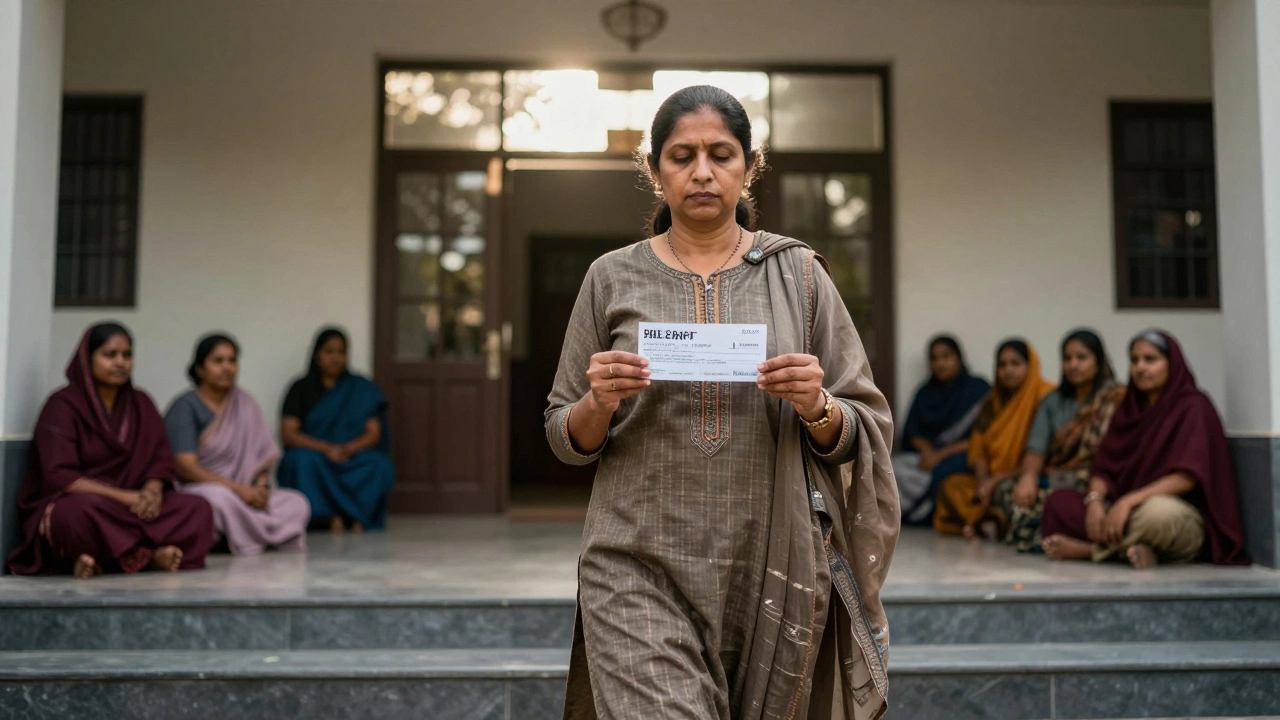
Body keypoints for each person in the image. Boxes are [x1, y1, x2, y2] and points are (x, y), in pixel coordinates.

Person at [545, 85, 899, 720]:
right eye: (681, 156)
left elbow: (862, 425)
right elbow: (563, 435)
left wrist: (815, 403)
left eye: (721, 154)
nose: (702, 172)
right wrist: (598, 401)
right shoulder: (611, 276)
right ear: (653, 171)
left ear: (750, 166)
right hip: (634, 558)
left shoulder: (800, 276)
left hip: (765, 561)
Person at [8, 323, 214, 578]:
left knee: (198, 508)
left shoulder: (141, 403)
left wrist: (153, 490)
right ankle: (146, 557)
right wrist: (125, 497)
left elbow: (159, 460)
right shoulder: (62, 406)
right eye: (109, 355)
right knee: (71, 515)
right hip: (93, 503)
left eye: (126, 355)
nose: (120, 362)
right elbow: (60, 476)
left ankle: (101, 560)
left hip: (135, 506)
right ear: (87, 359)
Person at [1041, 330, 1250, 567]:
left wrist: (1127, 503)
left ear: (1172, 364)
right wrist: (1095, 502)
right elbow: (1103, 468)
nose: (1140, 367)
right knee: (1058, 502)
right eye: (1134, 360)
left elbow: (1187, 477)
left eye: (1150, 359)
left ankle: (1091, 551)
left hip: (1174, 512)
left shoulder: (1194, 406)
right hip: (1124, 510)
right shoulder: (1129, 409)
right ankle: (1139, 550)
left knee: (1157, 514)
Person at [165, 334, 310, 555]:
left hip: (244, 494)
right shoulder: (184, 407)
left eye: (232, 361)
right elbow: (186, 468)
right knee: (218, 500)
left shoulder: (245, 403)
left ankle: (240, 535)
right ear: (200, 368)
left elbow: (261, 461)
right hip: (203, 490)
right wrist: (239, 491)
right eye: (218, 361)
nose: (227, 367)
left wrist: (259, 488)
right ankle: (257, 535)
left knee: (296, 502)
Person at [987, 330, 1126, 552]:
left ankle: (1054, 537)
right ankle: (1058, 536)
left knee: (1060, 504)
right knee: (1008, 493)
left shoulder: (1118, 398)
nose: (1073, 365)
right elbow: (1036, 449)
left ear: (1098, 361)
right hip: (1060, 477)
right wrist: (1028, 478)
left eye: (1081, 358)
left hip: (1099, 480)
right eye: (1067, 358)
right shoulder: (1052, 402)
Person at [933, 339, 1054, 538]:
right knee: (951, 485)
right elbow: (978, 447)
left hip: (1023, 477)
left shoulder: (1045, 396)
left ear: (1030, 365)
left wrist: (996, 481)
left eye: (1016, 364)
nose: (1008, 370)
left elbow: (1043, 452)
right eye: (1002, 365)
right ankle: (989, 521)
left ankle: (981, 521)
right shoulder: (992, 401)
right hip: (990, 478)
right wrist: (983, 481)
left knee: (1014, 495)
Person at [277, 327, 394, 532]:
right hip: (317, 455)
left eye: (341, 352)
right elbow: (288, 434)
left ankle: (358, 517)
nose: (336, 358)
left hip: (350, 456)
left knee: (379, 465)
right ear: (317, 355)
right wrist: (324, 448)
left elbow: (374, 432)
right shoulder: (301, 388)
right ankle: (326, 518)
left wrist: (349, 448)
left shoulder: (361, 388)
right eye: (329, 352)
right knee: (299, 460)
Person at [894, 335, 991, 525]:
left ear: (959, 358)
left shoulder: (978, 390)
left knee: (943, 470)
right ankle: (900, 514)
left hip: (964, 455)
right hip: (927, 459)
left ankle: (921, 513)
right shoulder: (925, 392)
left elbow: (984, 437)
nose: (940, 364)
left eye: (946, 357)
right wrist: (928, 451)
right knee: (890, 468)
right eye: (934, 358)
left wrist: (940, 454)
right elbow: (912, 432)